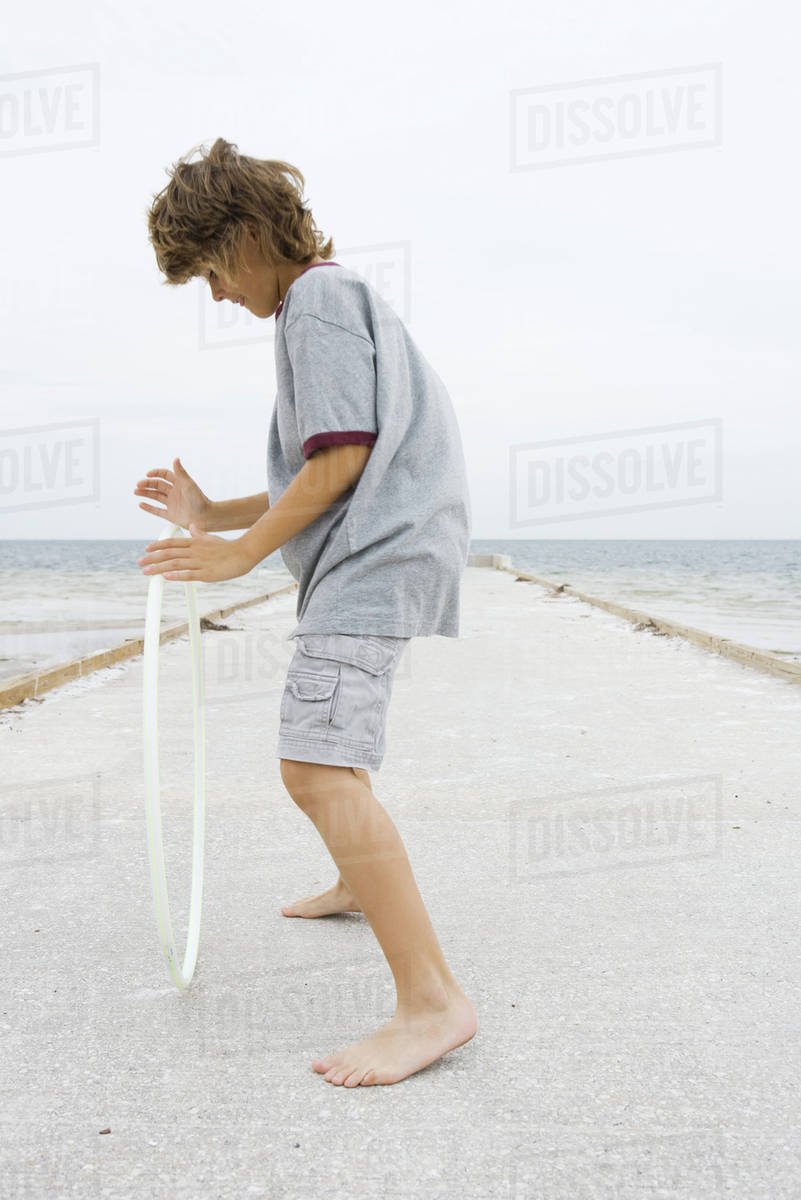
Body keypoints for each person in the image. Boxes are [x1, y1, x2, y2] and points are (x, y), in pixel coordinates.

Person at [135, 137, 476, 1087]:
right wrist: (215, 513)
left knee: (317, 766)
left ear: (245, 235)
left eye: (208, 271)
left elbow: (341, 460)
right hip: (385, 548)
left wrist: (239, 553)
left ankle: (432, 1003)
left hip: (375, 556)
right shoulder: (335, 297)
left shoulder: (314, 305)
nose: (213, 296)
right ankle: (354, 881)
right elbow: (314, 466)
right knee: (333, 756)